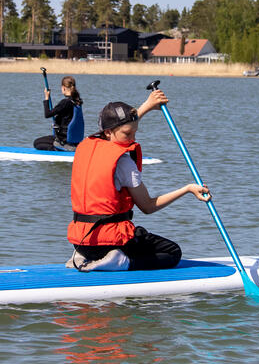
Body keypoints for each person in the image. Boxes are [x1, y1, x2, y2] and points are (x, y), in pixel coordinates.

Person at [66, 88, 211, 272]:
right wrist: (188, 189)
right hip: (109, 241)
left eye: (135, 133)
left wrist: (147, 106)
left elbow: (123, 126)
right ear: (109, 132)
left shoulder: (86, 145)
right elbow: (148, 206)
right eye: (128, 134)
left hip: (82, 240)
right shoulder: (124, 162)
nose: (133, 139)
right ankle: (121, 261)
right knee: (172, 252)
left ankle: (84, 255)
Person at [34, 75, 84, 151]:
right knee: (44, 140)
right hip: (70, 137)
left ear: (64, 88)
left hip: (63, 139)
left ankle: (59, 148)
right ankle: (69, 146)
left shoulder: (65, 102)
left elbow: (47, 114)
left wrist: (46, 98)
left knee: (37, 143)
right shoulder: (77, 101)